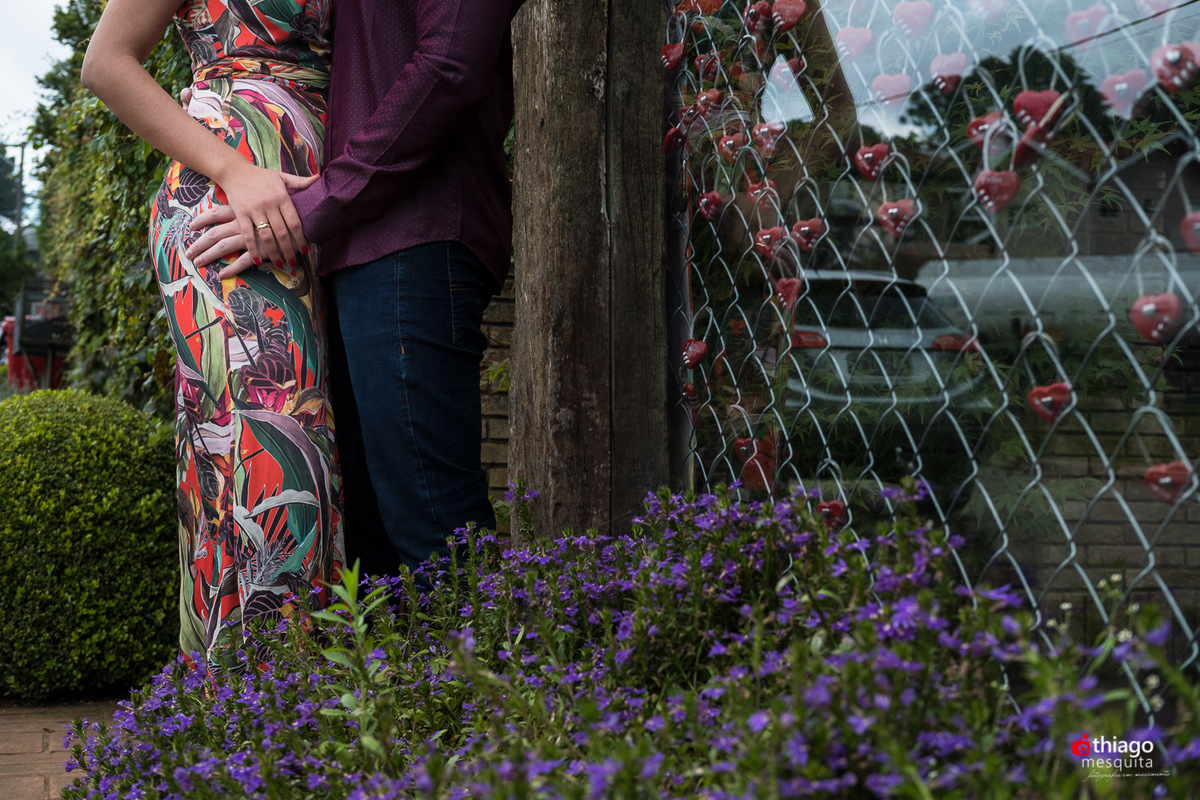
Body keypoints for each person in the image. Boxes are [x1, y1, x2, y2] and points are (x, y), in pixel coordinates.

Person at [187, 0, 524, 576]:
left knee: (433, 531)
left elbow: (449, 66)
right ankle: (406, 669)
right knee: (374, 548)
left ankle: (481, 666)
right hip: (357, 244)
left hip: (416, 234)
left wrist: (321, 202)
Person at [82, 0, 344, 672]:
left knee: (272, 454)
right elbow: (106, 62)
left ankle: (234, 717)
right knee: (273, 453)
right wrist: (235, 170)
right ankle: (273, 714)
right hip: (224, 204)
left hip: (321, 212)